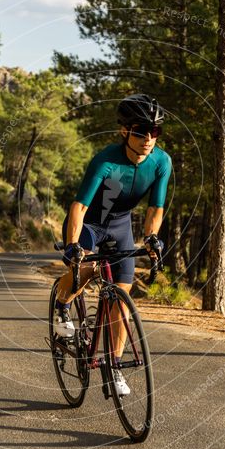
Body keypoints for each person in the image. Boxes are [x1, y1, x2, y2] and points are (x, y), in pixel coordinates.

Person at [54, 94, 172, 396]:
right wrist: (72, 245)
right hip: (91, 223)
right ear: (124, 131)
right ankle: (62, 305)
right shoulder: (106, 161)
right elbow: (79, 207)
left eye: (155, 132)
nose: (148, 139)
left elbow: (155, 209)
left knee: (121, 298)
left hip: (120, 226)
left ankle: (115, 366)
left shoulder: (161, 161)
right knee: (89, 267)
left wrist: (150, 237)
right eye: (140, 131)